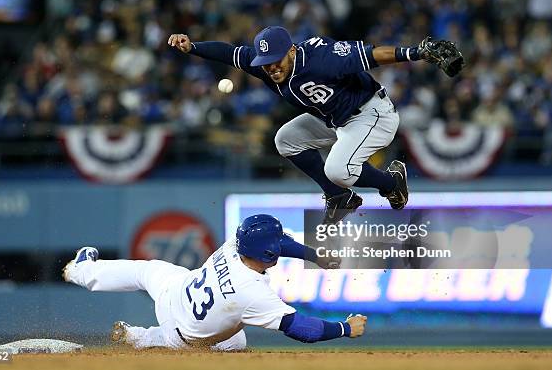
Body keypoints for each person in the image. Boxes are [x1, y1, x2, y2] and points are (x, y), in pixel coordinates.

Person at [168, 27, 443, 223]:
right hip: (336, 119)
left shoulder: (321, 58)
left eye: (276, 61)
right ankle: (338, 196)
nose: (271, 68)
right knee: (285, 140)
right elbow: (229, 53)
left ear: (291, 50)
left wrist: (415, 52)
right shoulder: (264, 63)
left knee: (337, 169)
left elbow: (371, 55)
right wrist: (193, 48)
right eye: (266, 64)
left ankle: (391, 182)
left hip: (371, 113)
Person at [63, 214, 367, 351]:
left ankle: (82, 271)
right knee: (233, 343)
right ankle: (139, 337)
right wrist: (344, 328)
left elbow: (276, 243)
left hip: (176, 290)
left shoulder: (233, 245)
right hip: (186, 336)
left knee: (145, 271)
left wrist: (314, 256)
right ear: (269, 254)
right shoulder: (253, 294)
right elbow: (301, 329)